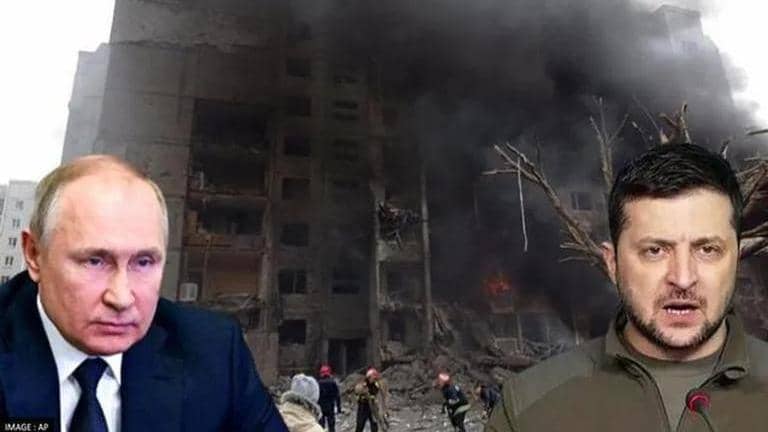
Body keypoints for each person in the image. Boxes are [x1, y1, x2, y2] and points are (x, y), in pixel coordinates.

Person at [485, 144, 768, 431]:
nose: (683, 278)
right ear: (613, 264)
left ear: (736, 259)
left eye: (707, 250)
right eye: (655, 250)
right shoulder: (529, 409)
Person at [0, 155, 287, 431]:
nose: (121, 298)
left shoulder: (214, 352)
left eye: (144, 262)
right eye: (95, 261)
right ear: (34, 254)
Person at [354, 368, 389, 432]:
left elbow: (380, 393)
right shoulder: (362, 384)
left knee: (374, 423)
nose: (374, 380)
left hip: (372, 406)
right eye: (373, 378)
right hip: (363, 406)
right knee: (360, 424)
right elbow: (357, 390)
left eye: (375, 378)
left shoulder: (376, 385)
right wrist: (364, 392)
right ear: (369, 377)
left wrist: (384, 409)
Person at [317, 364, 342, 432]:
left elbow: (315, 396)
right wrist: (339, 407)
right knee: (331, 426)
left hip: (321, 407)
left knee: (321, 426)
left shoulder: (318, 383)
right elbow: (337, 396)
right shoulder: (333, 382)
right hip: (330, 406)